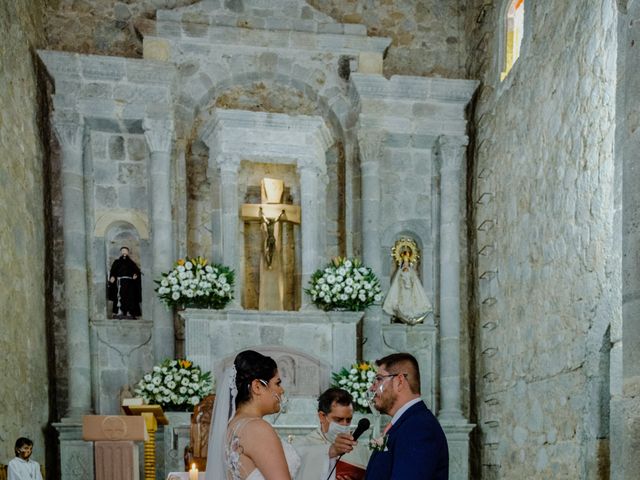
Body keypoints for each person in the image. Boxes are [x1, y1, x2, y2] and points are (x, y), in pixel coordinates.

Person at [206, 350, 300, 480]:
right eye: (277, 383)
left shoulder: (232, 424)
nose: (281, 390)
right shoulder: (258, 428)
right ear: (257, 387)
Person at [365, 353, 448, 480]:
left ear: (399, 381)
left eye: (379, 379)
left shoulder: (418, 427)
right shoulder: (407, 422)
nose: (372, 388)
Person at [294, 387, 370, 480]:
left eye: (348, 420)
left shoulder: (360, 451)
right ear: (322, 416)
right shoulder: (303, 446)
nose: (344, 425)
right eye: (338, 419)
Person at [382, 250, 432, 325]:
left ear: (409, 263)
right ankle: (402, 315)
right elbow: (397, 282)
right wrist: (403, 281)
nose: (406, 264)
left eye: (407, 262)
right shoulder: (400, 272)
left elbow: (415, 282)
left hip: (410, 290)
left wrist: (410, 282)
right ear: (402, 263)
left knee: (410, 301)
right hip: (402, 290)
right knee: (403, 301)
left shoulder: (411, 272)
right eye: (404, 262)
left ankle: (410, 315)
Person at [108, 246, 142, 319]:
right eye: (123, 250)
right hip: (119, 282)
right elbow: (113, 271)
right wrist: (112, 277)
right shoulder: (117, 262)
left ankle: (130, 312)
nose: (124, 252)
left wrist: (135, 275)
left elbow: (136, 271)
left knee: (130, 297)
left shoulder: (131, 263)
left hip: (129, 283)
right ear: (121, 252)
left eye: (125, 250)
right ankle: (119, 311)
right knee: (119, 296)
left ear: (128, 252)